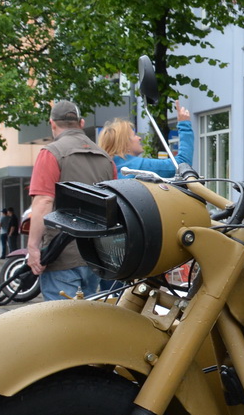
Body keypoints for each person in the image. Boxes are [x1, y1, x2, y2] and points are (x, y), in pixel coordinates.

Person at [27, 99, 116, 300]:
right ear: (81, 123)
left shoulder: (51, 153)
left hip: (62, 256)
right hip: (95, 256)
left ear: (52, 124)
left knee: (61, 324)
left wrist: (33, 247)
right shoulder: (105, 158)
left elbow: (43, 202)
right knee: (85, 321)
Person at [100, 104, 196, 178]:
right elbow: (182, 164)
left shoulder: (103, 168)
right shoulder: (134, 166)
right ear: (125, 143)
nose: (139, 138)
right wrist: (184, 125)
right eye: (134, 135)